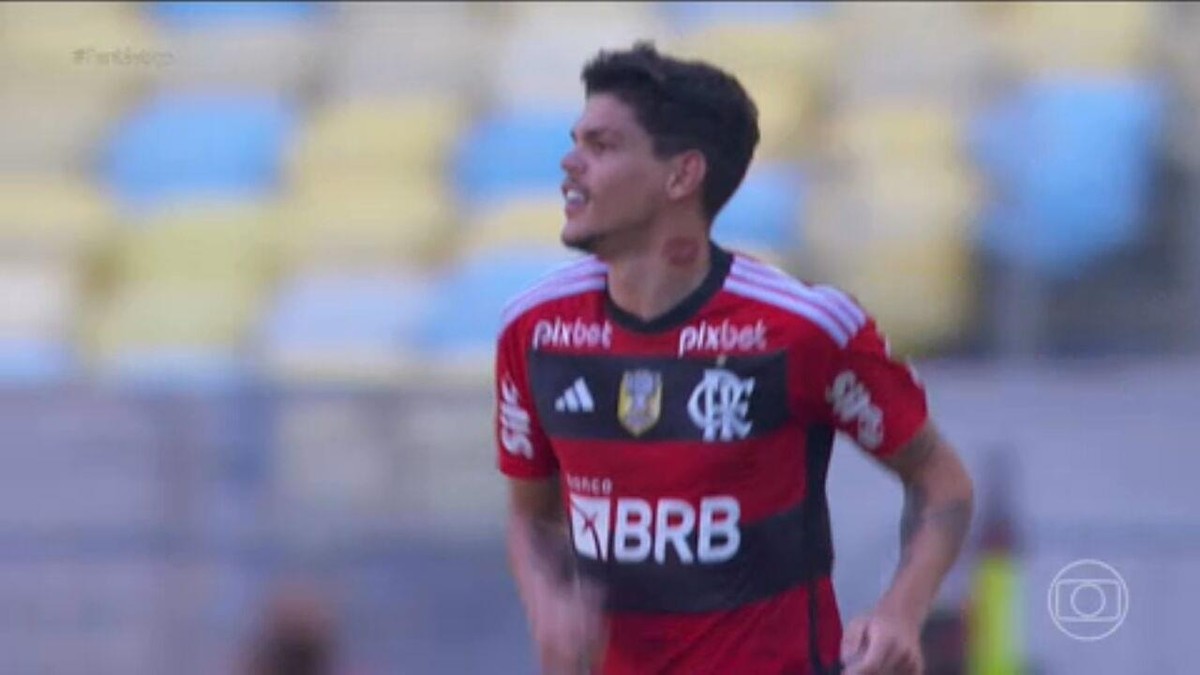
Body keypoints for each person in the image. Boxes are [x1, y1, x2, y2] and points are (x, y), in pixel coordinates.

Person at [493, 41, 975, 675]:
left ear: (681, 176)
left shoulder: (803, 329)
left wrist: (900, 614)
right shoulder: (534, 331)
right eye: (576, 141)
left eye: (602, 146)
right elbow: (533, 520)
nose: (570, 163)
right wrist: (547, 605)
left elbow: (943, 483)